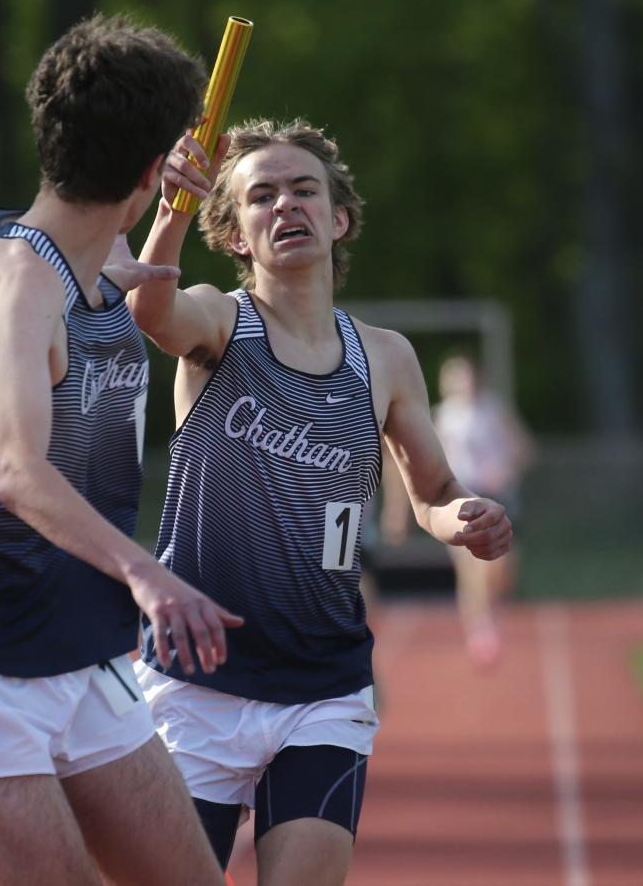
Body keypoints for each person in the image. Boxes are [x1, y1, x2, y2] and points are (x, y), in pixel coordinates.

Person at [0, 14, 243, 886]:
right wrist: (148, 574)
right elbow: (14, 472)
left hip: (74, 648)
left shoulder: (82, 259)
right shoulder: (19, 283)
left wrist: (162, 219)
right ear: (147, 168)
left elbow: (124, 282)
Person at [123, 118, 513, 884]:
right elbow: (151, 315)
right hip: (198, 678)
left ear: (337, 218)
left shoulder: (386, 357)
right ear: (235, 234)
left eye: (304, 189)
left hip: (323, 684)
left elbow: (433, 489)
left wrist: (462, 517)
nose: (285, 205)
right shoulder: (221, 320)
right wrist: (168, 214)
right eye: (261, 196)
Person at [432, 353, 534, 668]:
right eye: (457, 377)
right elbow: (430, 459)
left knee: (500, 569)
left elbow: (524, 448)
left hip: (496, 493)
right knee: (467, 568)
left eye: (468, 376)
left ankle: (490, 611)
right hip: (461, 496)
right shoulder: (443, 417)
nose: (465, 383)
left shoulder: (493, 410)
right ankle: (480, 631)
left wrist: (505, 469)